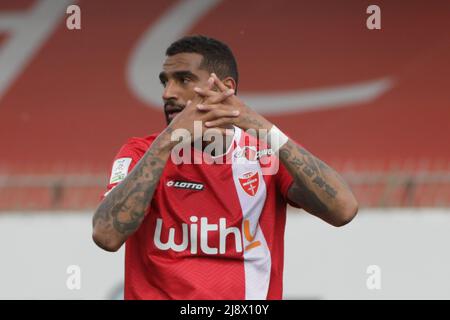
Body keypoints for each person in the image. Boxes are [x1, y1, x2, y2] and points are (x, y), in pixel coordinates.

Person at [92, 35, 358, 300]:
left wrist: (263, 128)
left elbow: (343, 209)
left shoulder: (265, 156)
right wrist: (166, 143)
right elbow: (106, 236)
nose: (167, 93)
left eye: (184, 79)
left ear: (223, 88)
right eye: (165, 81)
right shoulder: (142, 153)